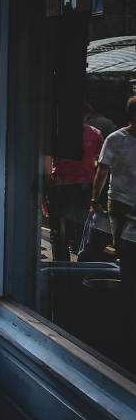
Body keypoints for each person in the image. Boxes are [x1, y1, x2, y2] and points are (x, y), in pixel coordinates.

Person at [91, 95, 136, 283]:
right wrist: (95, 200)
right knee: (124, 250)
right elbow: (102, 171)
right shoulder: (116, 139)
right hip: (120, 203)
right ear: (132, 115)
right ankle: (127, 289)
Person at [45, 116, 103, 261]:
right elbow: (100, 162)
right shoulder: (95, 133)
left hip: (60, 187)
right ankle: (81, 267)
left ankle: (61, 267)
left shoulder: (54, 134)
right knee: (82, 230)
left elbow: (46, 164)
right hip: (84, 188)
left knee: (59, 232)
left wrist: (43, 194)